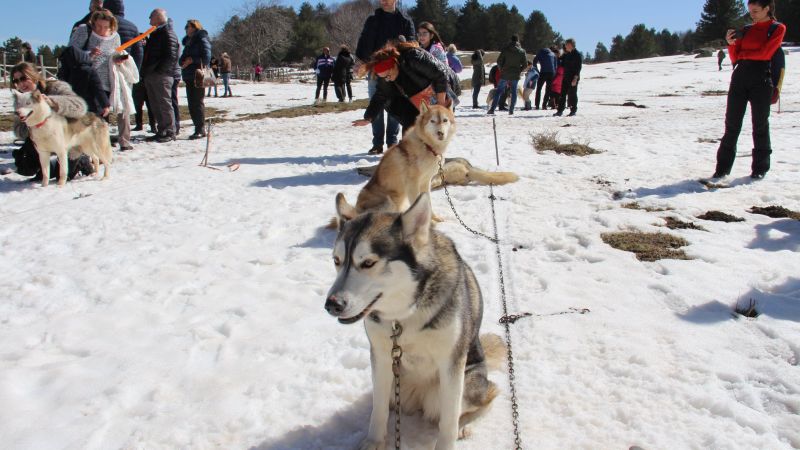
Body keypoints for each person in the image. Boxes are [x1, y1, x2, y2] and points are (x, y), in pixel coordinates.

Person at [712, 0, 785, 180]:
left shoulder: (777, 28)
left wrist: (744, 54)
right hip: (739, 78)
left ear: (767, 9)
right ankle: (722, 169)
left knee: (760, 125)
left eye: (756, 11)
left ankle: (760, 169)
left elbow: (766, 53)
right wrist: (731, 44)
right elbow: (735, 57)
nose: (752, 15)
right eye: (750, 11)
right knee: (731, 125)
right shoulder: (746, 29)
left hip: (761, 79)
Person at [10, 63, 94, 181]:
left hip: (69, 137)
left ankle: (81, 160)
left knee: (62, 174)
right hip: (42, 138)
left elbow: (80, 107)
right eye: (16, 81)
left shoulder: (55, 87)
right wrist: (31, 121)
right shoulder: (21, 100)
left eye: (23, 78)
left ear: (34, 76)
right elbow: (18, 131)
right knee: (25, 167)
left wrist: (53, 103)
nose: (20, 84)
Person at [352, 41, 455, 133]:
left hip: (443, 90)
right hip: (420, 100)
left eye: (388, 75)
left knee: (438, 130)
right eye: (385, 78)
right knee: (412, 128)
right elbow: (381, 95)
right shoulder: (387, 77)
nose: (388, 79)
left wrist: (441, 104)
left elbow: (441, 75)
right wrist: (368, 118)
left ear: (395, 64)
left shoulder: (413, 57)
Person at [355, 0, 415, 154]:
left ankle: (392, 142)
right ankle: (377, 143)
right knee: (377, 102)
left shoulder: (405, 21)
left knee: (395, 105)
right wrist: (361, 61)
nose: (384, 1)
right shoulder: (373, 20)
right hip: (376, 69)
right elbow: (363, 42)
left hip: (396, 71)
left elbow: (412, 45)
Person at [69, 9, 121, 119]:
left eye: (106, 27)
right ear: (93, 23)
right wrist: (89, 54)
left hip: (105, 85)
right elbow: (71, 52)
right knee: (84, 120)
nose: (102, 30)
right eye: (98, 26)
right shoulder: (84, 30)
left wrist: (118, 59)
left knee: (101, 121)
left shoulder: (115, 37)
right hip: (85, 83)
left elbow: (115, 54)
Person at [140, 8, 179, 143]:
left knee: (164, 103)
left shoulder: (167, 32)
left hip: (162, 74)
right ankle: (161, 129)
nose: (149, 20)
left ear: (157, 17)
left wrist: (161, 71)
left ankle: (169, 131)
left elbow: (171, 55)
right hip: (152, 73)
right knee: (155, 103)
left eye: (151, 17)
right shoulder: (156, 33)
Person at [180, 19, 212, 140]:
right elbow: (182, 58)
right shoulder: (188, 42)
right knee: (191, 103)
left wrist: (192, 60)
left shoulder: (201, 38)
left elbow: (207, 57)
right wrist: (182, 62)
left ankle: (200, 129)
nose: (186, 29)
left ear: (195, 27)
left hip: (199, 75)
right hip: (188, 75)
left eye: (188, 27)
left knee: (197, 102)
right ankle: (197, 127)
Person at [488, 35, 526, 115]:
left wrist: (501, 69)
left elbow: (498, 61)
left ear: (511, 40)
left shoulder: (505, 50)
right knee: (514, 92)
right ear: (518, 41)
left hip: (505, 74)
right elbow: (525, 64)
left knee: (499, 91)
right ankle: (511, 110)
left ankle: (492, 109)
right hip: (515, 74)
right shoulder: (522, 51)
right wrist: (519, 70)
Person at [554, 38, 582, 117]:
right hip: (565, 77)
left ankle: (573, 110)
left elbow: (578, 68)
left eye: (566, 44)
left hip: (573, 78)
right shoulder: (566, 54)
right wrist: (558, 56)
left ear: (570, 45)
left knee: (572, 94)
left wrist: (575, 78)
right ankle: (560, 111)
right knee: (562, 95)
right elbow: (561, 63)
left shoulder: (577, 54)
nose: (565, 46)